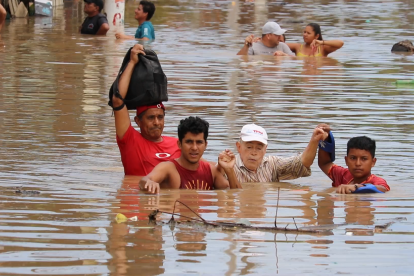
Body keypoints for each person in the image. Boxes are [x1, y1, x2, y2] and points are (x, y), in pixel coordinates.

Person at [111, 44, 181, 176]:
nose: (156, 122)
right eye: (151, 118)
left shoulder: (178, 144)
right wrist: (132, 62)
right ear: (138, 121)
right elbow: (118, 100)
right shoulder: (130, 140)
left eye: (160, 117)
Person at [139, 116, 240, 193]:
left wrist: (229, 170)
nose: (194, 148)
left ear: (205, 145)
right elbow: (144, 180)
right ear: (179, 144)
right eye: (189, 142)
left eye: (199, 142)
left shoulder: (211, 171)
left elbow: (236, 194)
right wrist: (149, 183)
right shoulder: (168, 168)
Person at [224, 123, 329, 183]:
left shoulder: (271, 164)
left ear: (265, 149)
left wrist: (315, 140)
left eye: (259, 148)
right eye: (249, 147)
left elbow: (303, 162)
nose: (253, 153)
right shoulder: (227, 167)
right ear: (239, 147)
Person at [318, 135, 390, 194]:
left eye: (364, 159)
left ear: (373, 162)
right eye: (353, 158)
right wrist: (325, 139)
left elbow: (382, 188)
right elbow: (324, 163)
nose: (358, 163)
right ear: (346, 160)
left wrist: (357, 187)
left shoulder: (376, 181)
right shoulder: (343, 175)